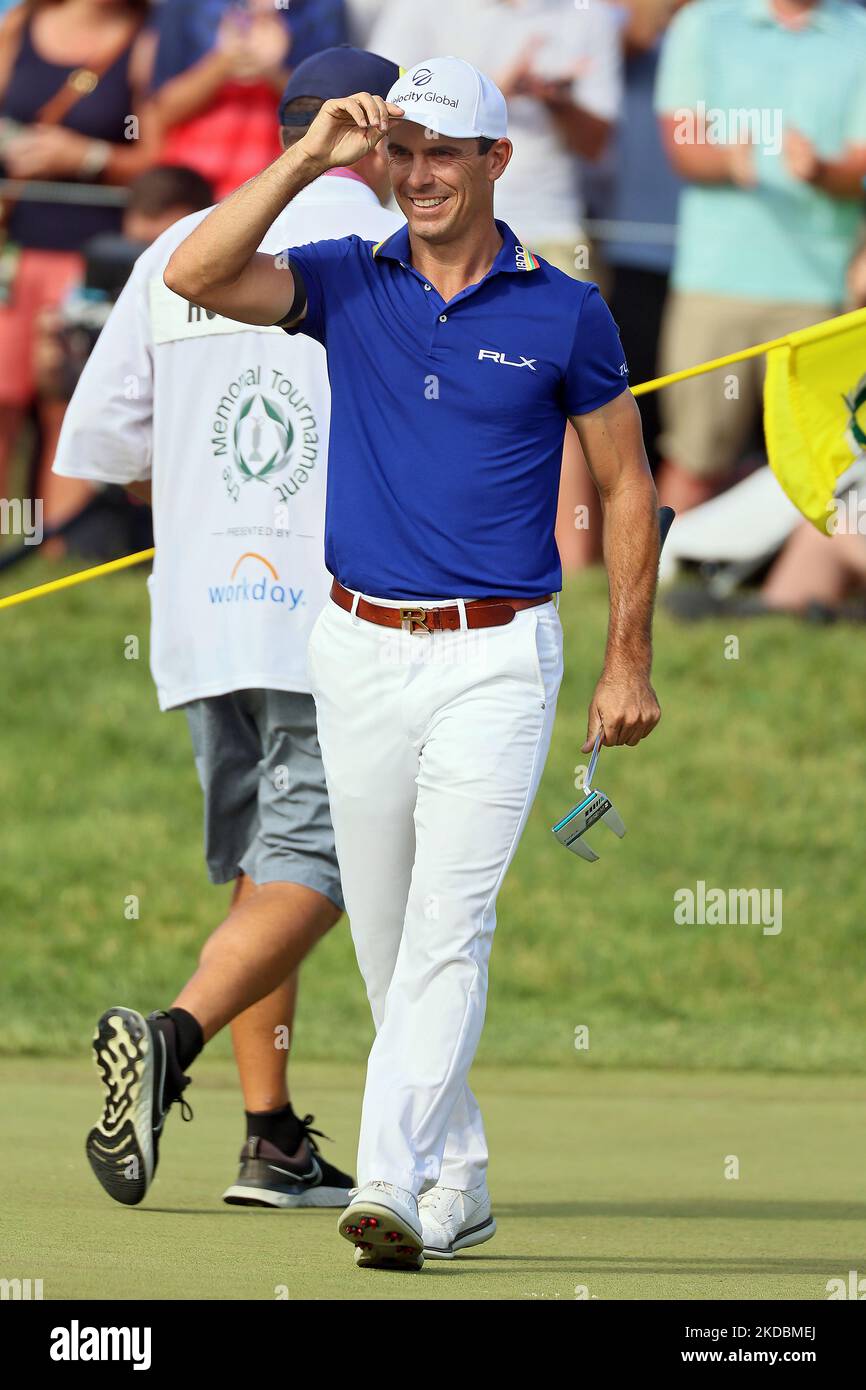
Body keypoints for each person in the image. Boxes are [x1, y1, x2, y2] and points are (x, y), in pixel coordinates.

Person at [162, 54, 662, 1269]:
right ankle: (463, 1177)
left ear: (496, 162)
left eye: (444, 152)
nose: (418, 173)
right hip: (353, 648)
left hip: (496, 654)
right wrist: (309, 152)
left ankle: (386, 1178)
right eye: (402, 151)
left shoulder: (565, 307)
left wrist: (626, 662)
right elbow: (196, 269)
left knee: (448, 925)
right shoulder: (345, 275)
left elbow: (626, 484)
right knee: (388, 940)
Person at [52, 47, 403, 1210]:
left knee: (265, 878)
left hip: (204, 619)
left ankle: (269, 1138)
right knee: (318, 864)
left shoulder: (173, 248)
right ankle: (171, 1034)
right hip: (339, 616)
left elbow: (100, 448)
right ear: (382, 130)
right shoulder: (400, 255)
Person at [370, 0, 622, 572]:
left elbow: (596, 141)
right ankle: (427, 553)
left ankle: (571, 561)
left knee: (568, 401)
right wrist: (492, 97)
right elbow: (389, 121)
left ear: (497, 157)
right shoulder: (419, 9)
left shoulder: (590, 15)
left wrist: (552, 99)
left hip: (553, 225)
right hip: (422, 223)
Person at [654, 0, 866, 517]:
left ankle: (798, 592)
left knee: (828, 469)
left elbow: (858, 162)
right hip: (714, 279)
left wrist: (819, 171)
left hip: (820, 289)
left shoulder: (859, 30)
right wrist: (727, 159)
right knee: (695, 460)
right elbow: (682, 142)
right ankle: (654, 582)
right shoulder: (702, 22)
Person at [0, 0, 158, 526]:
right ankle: (12, 533)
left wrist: (86, 157)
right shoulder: (21, 24)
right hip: (13, 254)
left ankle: (53, 543)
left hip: (89, 260)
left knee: (65, 398)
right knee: (5, 400)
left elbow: (154, 159)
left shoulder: (142, 37)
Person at [151, 0, 349, 200]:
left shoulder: (322, 7)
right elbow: (161, 111)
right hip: (192, 187)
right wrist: (223, 63)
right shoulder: (185, 6)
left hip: (282, 187)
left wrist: (271, 70)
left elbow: (332, 114)